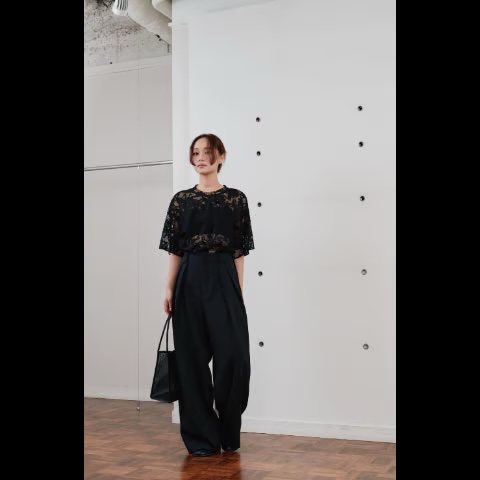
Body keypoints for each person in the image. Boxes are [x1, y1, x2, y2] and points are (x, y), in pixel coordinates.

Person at [159, 133, 254, 457]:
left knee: (234, 359)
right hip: (189, 280)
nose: (200, 157)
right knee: (191, 361)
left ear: (221, 157)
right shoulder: (181, 201)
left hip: (224, 279)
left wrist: (238, 292)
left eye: (207, 152)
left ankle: (228, 431)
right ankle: (202, 439)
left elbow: (239, 252)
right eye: (196, 152)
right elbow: (175, 250)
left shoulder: (236, 200)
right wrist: (169, 287)